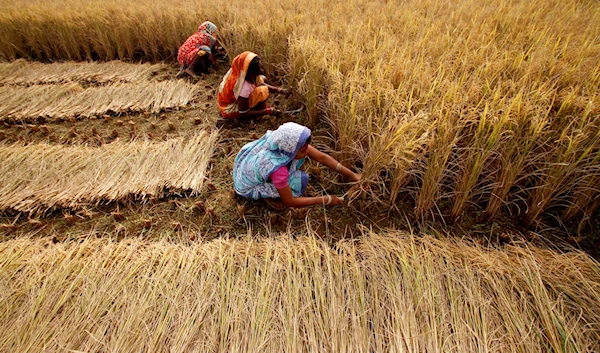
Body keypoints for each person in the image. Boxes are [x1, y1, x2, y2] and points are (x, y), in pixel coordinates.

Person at [233, 122, 361, 208]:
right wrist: (326, 199)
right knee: (298, 180)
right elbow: (290, 202)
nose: (307, 151)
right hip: (246, 185)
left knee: (295, 165)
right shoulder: (277, 170)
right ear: (291, 150)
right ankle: (265, 194)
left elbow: (322, 157)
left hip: (246, 162)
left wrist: (352, 175)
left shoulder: (284, 142)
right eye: (303, 150)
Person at [218, 51, 290, 120]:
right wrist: (267, 111)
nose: (262, 70)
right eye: (259, 69)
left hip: (238, 99)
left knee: (262, 78)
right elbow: (243, 112)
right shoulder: (244, 87)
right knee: (262, 92)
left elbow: (260, 83)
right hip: (230, 109)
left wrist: (280, 91)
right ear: (249, 72)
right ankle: (254, 113)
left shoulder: (242, 72)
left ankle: (256, 108)